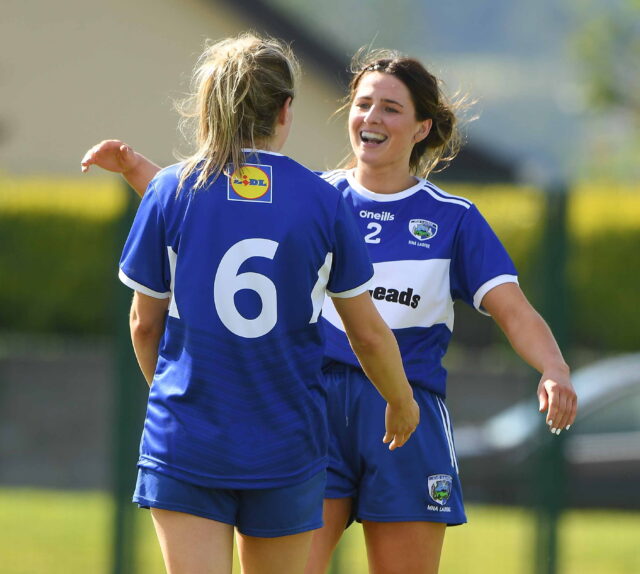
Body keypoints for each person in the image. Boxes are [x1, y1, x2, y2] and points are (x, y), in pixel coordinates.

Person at [82, 47, 577, 574]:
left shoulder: (449, 217)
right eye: (363, 103)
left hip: (402, 403)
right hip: (309, 401)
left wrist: (554, 366)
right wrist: (142, 172)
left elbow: (513, 310)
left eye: (390, 107)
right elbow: (220, 215)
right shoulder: (319, 195)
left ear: (421, 127)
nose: (371, 117)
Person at [83, 34, 420, 574]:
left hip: (188, 441)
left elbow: (145, 326)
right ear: (286, 109)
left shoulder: (169, 190)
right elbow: (369, 335)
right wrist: (401, 401)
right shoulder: (323, 199)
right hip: (286, 443)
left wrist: (177, 398)